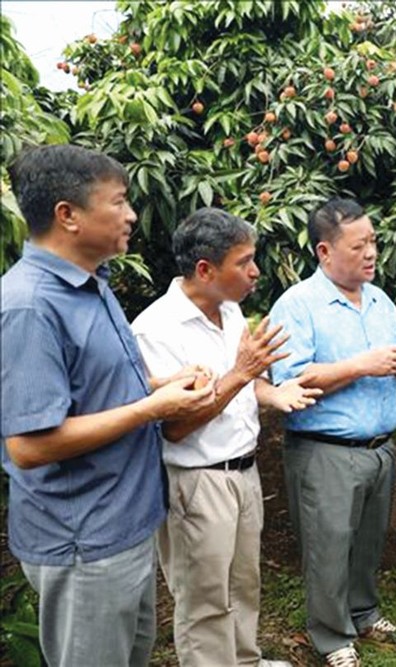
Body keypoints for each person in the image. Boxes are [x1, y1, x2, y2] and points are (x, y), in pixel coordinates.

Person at [0, 144, 216, 667]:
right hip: (84, 541)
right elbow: (29, 445)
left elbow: (102, 390)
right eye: (118, 202)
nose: (132, 214)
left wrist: (165, 386)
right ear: (67, 215)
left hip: (125, 522)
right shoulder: (30, 306)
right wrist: (152, 408)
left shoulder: (93, 284)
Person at [131, 207, 320, 667]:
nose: (255, 271)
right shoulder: (156, 329)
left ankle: (246, 661)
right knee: (204, 597)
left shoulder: (229, 310)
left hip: (243, 471)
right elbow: (175, 426)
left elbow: (246, 383)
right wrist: (241, 373)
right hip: (198, 480)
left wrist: (271, 393)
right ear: (205, 269)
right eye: (245, 261)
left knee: (242, 582)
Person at [267, 197, 396, 667]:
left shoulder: (380, 302)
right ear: (325, 252)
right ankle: (332, 636)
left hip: (378, 446)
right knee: (328, 544)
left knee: (368, 541)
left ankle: (364, 610)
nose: (372, 252)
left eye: (373, 241)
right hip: (325, 449)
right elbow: (288, 380)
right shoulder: (297, 305)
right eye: (359, 246)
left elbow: (382, 362)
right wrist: (360, 366)